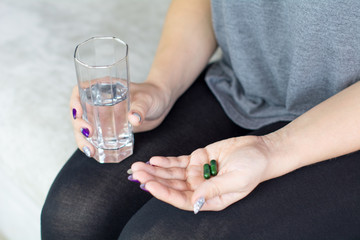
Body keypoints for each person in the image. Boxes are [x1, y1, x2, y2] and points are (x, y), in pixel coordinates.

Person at [41, 0, 360, 239]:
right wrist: (161, 86)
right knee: (73, 213)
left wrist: (271, 149)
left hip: (345, 128)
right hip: (243, 82)